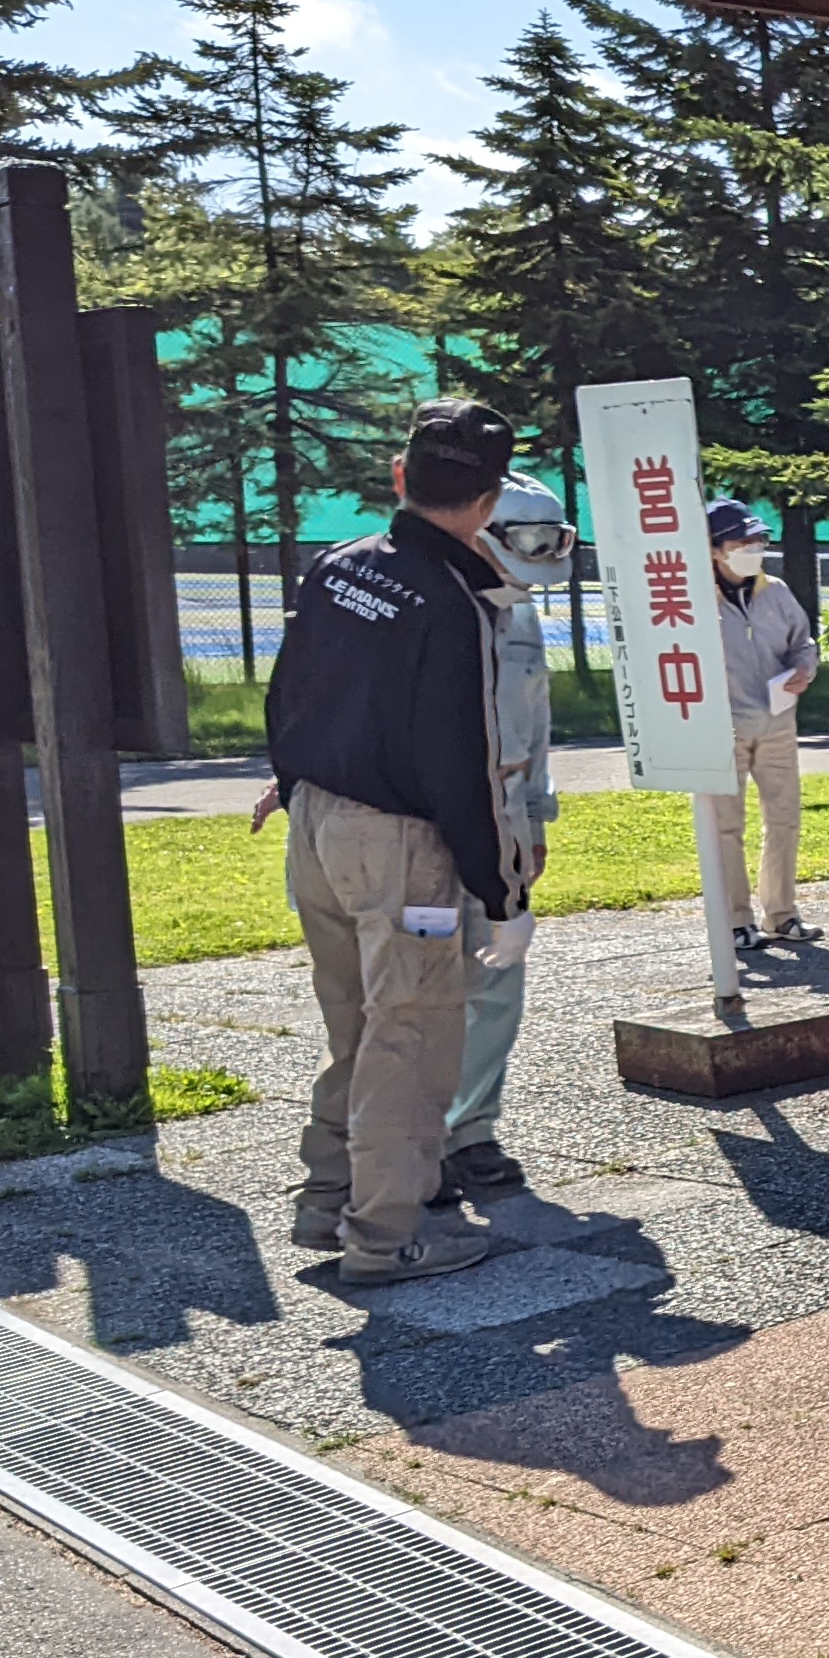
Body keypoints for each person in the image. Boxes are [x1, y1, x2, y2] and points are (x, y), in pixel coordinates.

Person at [260, 400, 534, 1285]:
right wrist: (501, 890)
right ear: (489, 501)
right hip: (401, 850)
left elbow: (287, 694)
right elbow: (464, 761)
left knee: (357, 1026)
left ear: (400, 476)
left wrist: (296, 779)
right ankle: (387, 1234)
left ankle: (327, 1199)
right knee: (410, 1035)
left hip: (315, 826)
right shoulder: (454, 605)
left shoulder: (337, 566)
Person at [434, 473, 572, 1205]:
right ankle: (418, 1139)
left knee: (498, 983)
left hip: (507, 815)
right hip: (430, 824)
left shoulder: (519, 617)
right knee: (421, 987)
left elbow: (537, 721)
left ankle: (473, 1129)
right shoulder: (426, 607)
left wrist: (537, 818)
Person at [704, 498, 819, 950]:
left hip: (777, 720)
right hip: (722, 728)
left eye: (759, 540)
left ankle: (782, 914)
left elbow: (803, 643)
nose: (754, 548)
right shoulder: (693, 599)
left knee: (785, 818)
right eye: (741, 541)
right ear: (714, 549)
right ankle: (735, 919)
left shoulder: (776, 591)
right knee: (726, 826)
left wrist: (804, 668)